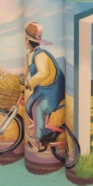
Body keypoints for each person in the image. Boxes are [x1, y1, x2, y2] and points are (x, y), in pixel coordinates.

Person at [23, 21, 65, 152]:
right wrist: (21, 78)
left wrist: (30, 83)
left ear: (27, 40)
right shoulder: (29, 55)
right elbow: (27, 71)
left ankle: (37, 139)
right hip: (41, 88)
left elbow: (44, 72)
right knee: (28, 105)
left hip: (54, 90)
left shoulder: (41, 55)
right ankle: (46, 131)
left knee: (38, 109)